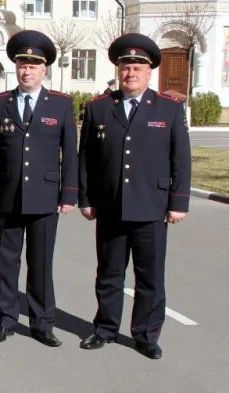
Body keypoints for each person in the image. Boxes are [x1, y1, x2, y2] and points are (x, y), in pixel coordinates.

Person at [78, 33, 191, 360]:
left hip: (152, 208)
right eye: (126, 68)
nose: (131, 74)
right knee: (109, 273)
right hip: (111, 206)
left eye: (137, 68)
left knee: (150, 277)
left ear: (149, 72)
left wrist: (178, 202)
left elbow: (180, 159)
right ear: (118, 70)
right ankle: (105, 329)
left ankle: (146, 335)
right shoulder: (100, 108)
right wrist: (86, 198)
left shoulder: (168, 109)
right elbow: (86, 157)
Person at [0, 30, 77, 347]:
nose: (27, 71)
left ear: (44, 70)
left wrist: (69, 194)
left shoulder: (61, 104)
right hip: (8, 196)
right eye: (22, 65)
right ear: (16, 68)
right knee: (7, 263)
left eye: (33, 66)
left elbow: (71, 153)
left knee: (40, 263)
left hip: (45, 197)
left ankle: (42, 323)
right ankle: (5, 320)